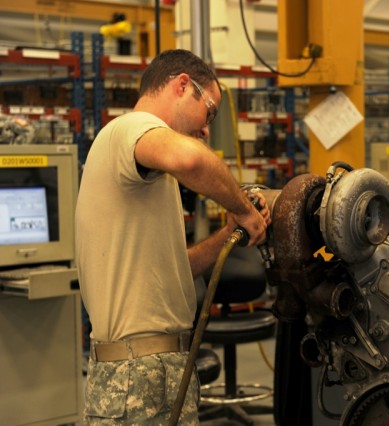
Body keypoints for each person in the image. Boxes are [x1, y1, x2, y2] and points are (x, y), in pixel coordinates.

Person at [75, 49, 270, 424]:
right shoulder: (130, 128)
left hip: (158, 369)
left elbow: (173, 271)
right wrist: (244, 208)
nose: (206, 129)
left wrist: (229, 232)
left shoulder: (149, 173)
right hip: (135, 375)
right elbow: (193, 160)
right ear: (183, 86)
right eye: (209, 111)